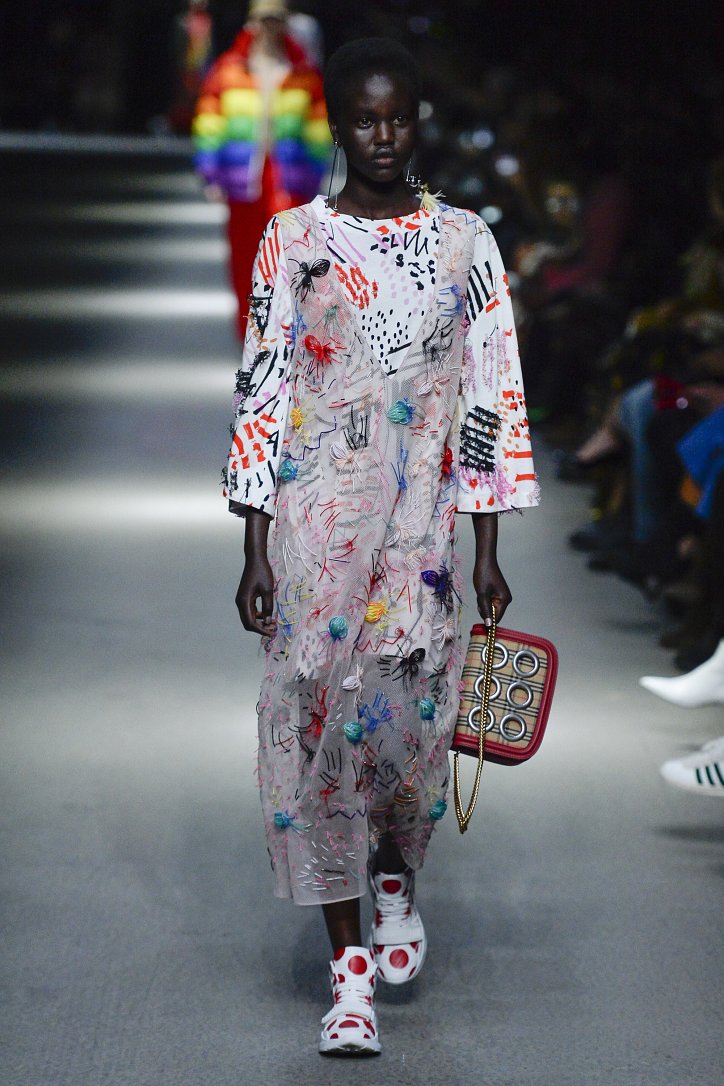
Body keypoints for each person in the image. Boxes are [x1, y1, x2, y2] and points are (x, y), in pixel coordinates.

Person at [223, 38, 538, 1056]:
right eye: (365, 118)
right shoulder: (292, 240)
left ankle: (396, 874)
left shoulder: (464, 243)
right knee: (314, 720)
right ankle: (348, 976)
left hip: (421, 532)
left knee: (405, 726)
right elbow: (263, 385)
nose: (384, 135)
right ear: (337, 125)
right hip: (316, 527)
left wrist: (487, 544)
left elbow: (490, 393)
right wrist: (253, 542)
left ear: (418, 120)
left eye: (399, 116)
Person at [192, 0, 330, 338]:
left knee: (289, 259)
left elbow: (318, 127)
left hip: (289, 180)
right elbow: (209, 121)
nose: (270, 27)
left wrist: (316, 173)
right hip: (243, 180)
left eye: (277, 19)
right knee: (244, 259)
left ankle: (284, 335)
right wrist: (210, 173)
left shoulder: (302, 72)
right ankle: (250, 335)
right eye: (264, 19)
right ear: (251, 23)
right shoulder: (229, 69)